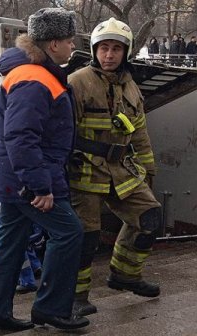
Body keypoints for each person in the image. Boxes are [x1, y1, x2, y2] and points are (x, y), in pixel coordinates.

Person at [0, 8, 88, 332]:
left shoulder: (27, 72)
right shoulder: (35, 77)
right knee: (69, 232)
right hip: (27, 180)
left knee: (11, 242)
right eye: (69, 41)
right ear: (53, 43)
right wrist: (40, 186)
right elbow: (21, 136)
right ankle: (51, 307)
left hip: (13, 179)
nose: (73, 47)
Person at [68, 18, 163, 317]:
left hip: (121, 169)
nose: (109, 55)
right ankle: (74, 296)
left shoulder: (131, 86)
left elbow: (141, 134)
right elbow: (62, 129)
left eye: (116, 49)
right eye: (104, 48)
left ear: (126, 52)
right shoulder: (77, 81)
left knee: (149, 217)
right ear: (95, 51)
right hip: (83, 169)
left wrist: (149, 171)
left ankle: (124, 274)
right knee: (85, 237)